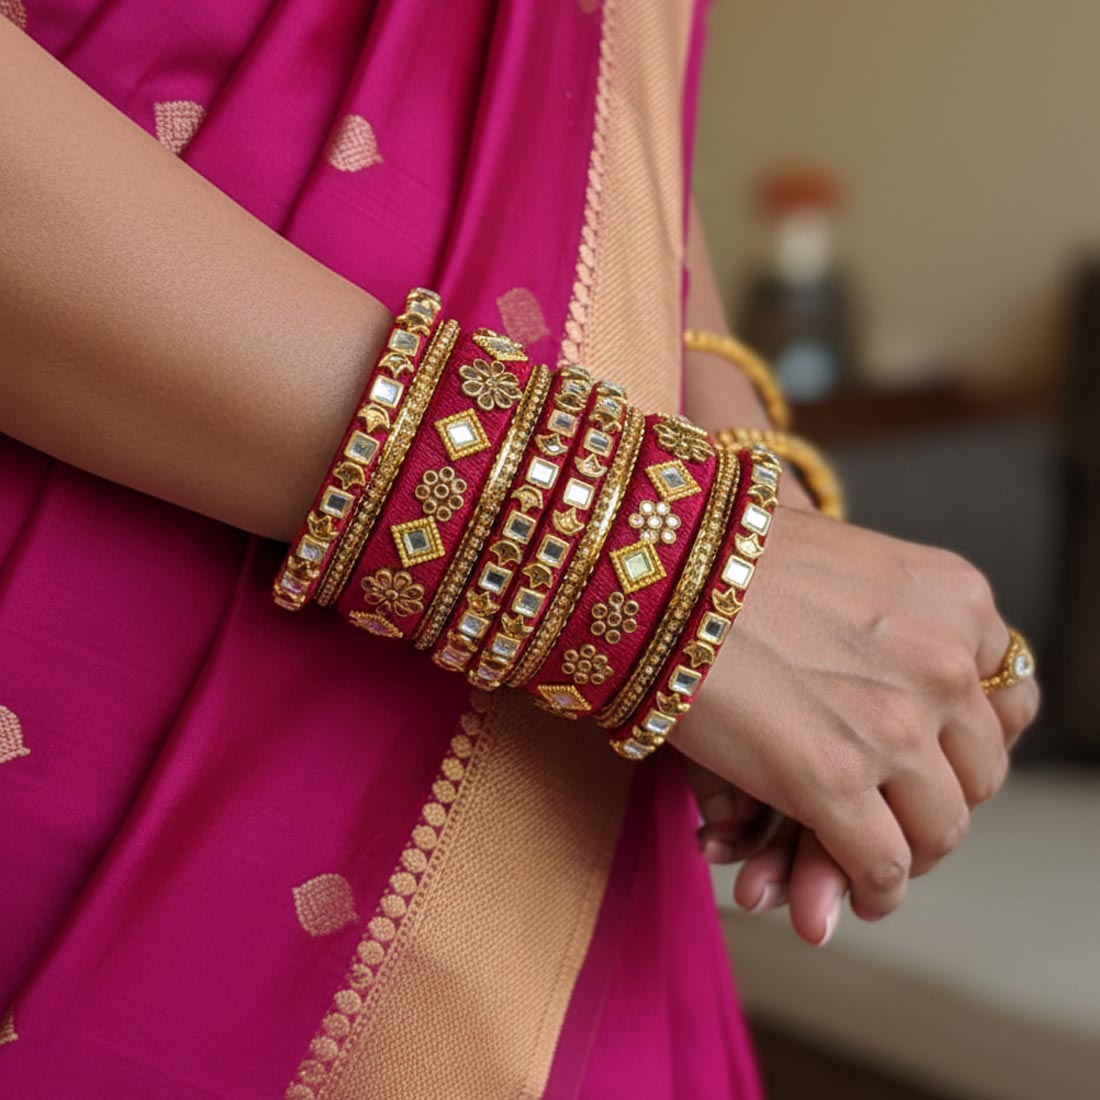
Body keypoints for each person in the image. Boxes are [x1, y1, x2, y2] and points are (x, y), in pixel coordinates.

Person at [0, 3, 1038, 1096]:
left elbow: (605, 100)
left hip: (578, 747)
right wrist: (649, 556)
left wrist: (745, 501)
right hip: (94, 610)